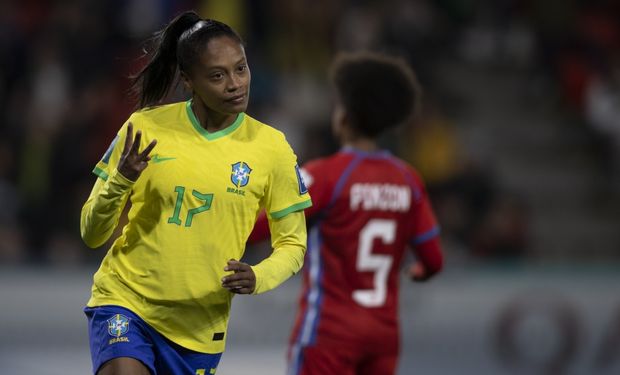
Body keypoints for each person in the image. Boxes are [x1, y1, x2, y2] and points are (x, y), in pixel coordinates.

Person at [80, 11, 312, 375]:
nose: (235, 83)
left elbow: (294, 244)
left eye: (241, 68)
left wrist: (259, 276)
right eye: (218, 75)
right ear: (188, 81)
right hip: (126, 301)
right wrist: (120, 181)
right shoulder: (144, 128)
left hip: (198, 329)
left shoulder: (272, 148)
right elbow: (91, 233)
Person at [249, 52, 444, 375]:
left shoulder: (327, 176)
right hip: (383, 336)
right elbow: (433, 259)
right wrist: (419, 272)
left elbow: (261, 227)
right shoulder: (408, 180)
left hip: (330, 333)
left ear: (345, 118)